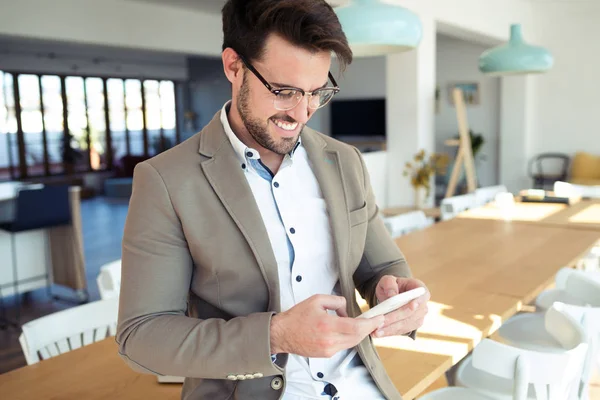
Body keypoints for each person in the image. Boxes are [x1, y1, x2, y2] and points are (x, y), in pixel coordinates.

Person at [116, 0, 430, 399]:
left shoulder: (345, 161)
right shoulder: (166, 180)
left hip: (359, 385)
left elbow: (381, 266)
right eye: (284, 91)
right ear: (234, 66)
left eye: (317, 92)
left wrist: (394, 292)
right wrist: (276, 335)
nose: (302, 113)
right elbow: (141, 337)